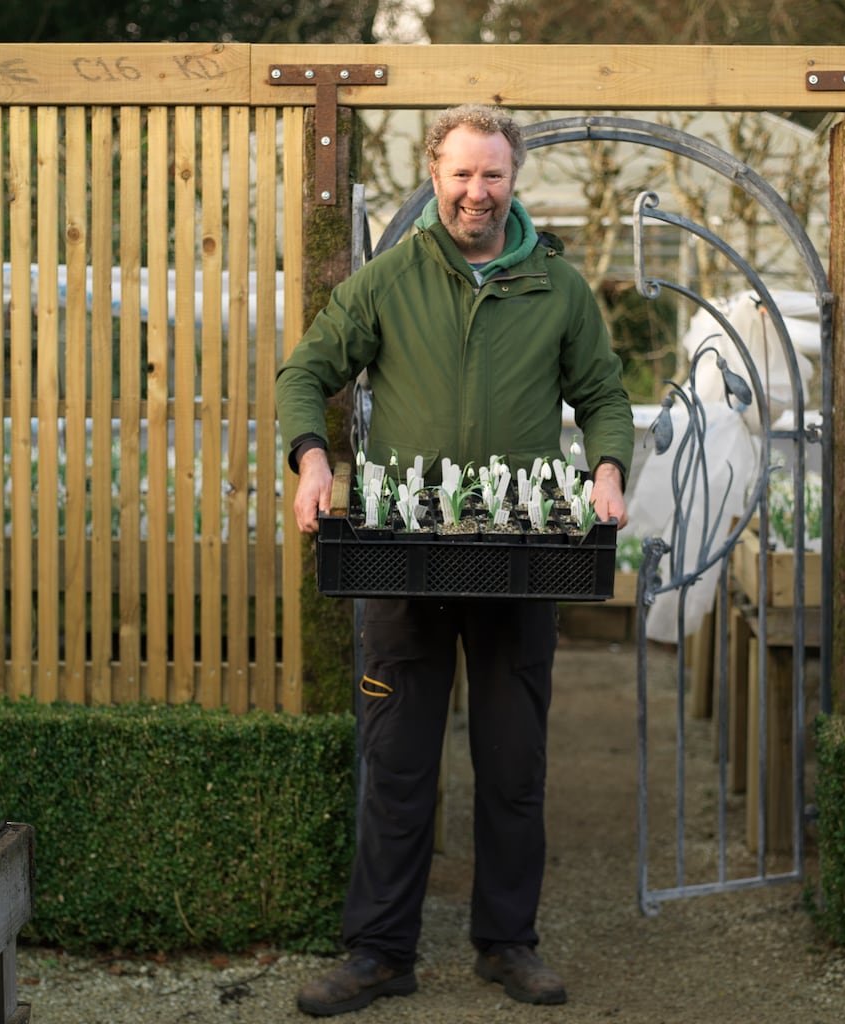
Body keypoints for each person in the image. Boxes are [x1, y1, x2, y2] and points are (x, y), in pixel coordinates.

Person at [275, 103, 634, 1017]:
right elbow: (306, 371)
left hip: (521, 561)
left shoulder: (557, 288)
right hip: (403, 561)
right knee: (397, 762)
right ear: (435, 176)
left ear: (516, 180)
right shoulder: (389, 280)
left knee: (514, 768)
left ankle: (508, 944)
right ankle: (380, 951)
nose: (478, 192)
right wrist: (313, 460)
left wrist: (606, 468)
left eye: (494, 175)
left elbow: (602, 395)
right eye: (462, 174)